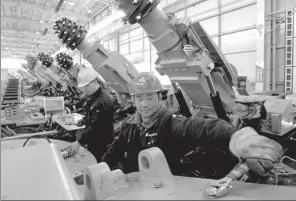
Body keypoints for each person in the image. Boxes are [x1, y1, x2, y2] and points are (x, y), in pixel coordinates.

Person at [102, 72, 283, 176]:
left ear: (159, 97)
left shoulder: (172, 124)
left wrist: (240, 138)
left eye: (149, 97)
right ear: (133, 101)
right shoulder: (130, 126)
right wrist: (100, 169)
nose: (144, 104)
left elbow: (205, 127)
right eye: (140, 98)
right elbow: (114, 150)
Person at [61, 66, 115, 162]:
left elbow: (96, 127)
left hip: (101, 145)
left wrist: (79, 142)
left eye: (86, 86)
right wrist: (83, 121)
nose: (84, 89)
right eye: (83, 87)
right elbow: (90, 115)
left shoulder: (102, 102)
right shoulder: (93, 97)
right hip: (93, 142)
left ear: (95, 82)